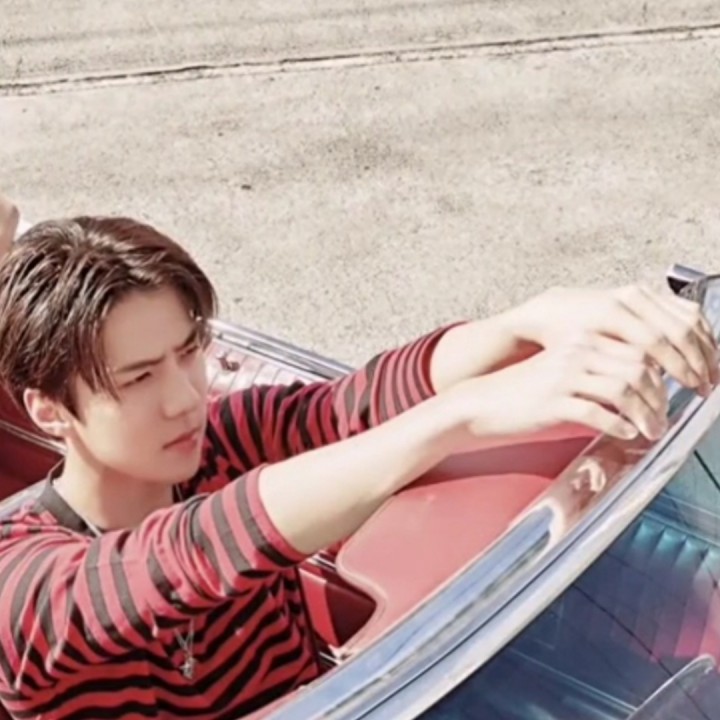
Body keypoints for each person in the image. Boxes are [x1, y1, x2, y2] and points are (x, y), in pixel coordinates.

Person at [0, 212, 716, 720]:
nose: (186, 397)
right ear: (49, 410)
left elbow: (352, 406)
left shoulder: (219, 443)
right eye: (138, 378)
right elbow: (188, 555)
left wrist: (524, 323)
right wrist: (461, 416)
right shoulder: (20, 576)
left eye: (189, 352)